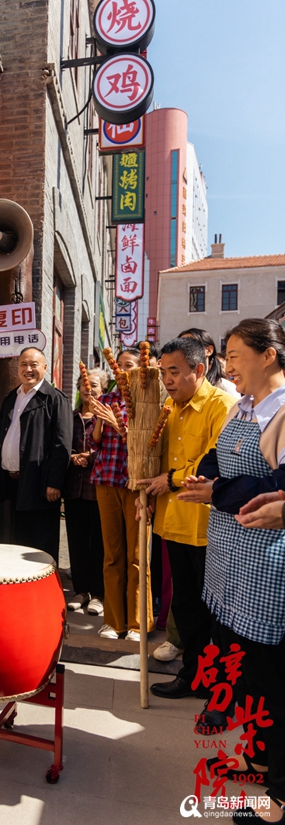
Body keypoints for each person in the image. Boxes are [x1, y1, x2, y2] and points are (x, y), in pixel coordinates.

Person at [178, 318, 285, 823]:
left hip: (263, 566)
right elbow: (221, 458)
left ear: (268, 356)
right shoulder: (245, 407)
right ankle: (255, 754)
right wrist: (206, 474)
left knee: (267, 675)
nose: (229, 365)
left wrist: (215, 492)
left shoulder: (281, 411)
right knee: (246, 671)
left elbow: (275, 489)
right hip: (232, 560)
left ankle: (272, 788)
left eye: (237, 354)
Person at [138, 337, 235, 698]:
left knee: (217, 611)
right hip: (172, 522)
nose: (167, 380)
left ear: (199, 369)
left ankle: (223, 686)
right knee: (186, 604)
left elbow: (219, 462)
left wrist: (173, 479)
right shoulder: (168, 406)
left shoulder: (222, 405)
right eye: (163, 372)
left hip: (210, 528)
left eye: (174, 372)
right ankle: (194, 675)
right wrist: (146, 494)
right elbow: (156, 459)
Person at [88, 348, 154, 642]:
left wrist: (116, 423)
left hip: (135, 484)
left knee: (137, 555)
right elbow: (96, 440)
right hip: (106, 479)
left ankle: (138, 623)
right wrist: (101, 420)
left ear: (140, 369)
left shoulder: (146, 399)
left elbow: (142, 442)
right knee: (111, 554)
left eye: (129, 366)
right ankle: (114, 622)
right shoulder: (107, 399)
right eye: (119, 366)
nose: (122, 371)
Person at [0, 347, 72, 563]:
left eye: (34, 364)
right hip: (9, 482)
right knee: (12, 540)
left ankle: (42, 590)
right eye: (23, 364)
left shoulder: (54, 399)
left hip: (39, 485)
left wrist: (54, 482)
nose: (28, 369)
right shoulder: (11, 398)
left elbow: (62, 444)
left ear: (44, 367)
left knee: (38, 543)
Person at [64, 368, 108, 615]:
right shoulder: (70, 417)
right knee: (77, 541)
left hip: (97, 488)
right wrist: (72, 458)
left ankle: (99, 594)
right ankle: (81, 590)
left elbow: (113, 448)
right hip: (73, 488)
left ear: (102, 389)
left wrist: (89, 457)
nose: (87, 389)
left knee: (98, 543)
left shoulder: (106, 417)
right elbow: (61, 445)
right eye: (83, 384)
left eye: (92, 384)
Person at [179, 327, 240, 398]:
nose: (185, 350)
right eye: (180, 346)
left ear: (209, 350)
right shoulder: (177, 388)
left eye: (191, 345)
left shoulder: (225, 389)